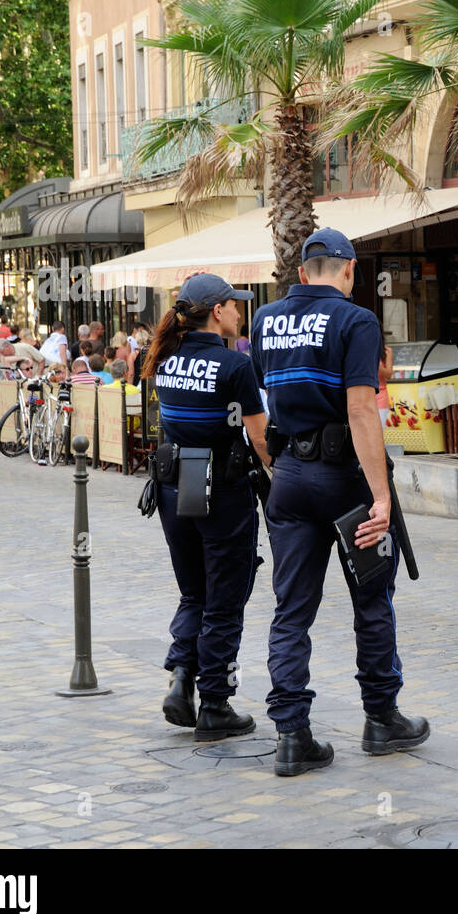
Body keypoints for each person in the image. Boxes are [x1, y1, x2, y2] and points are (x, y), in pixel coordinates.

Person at [252, 227, 429, 777]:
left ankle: (291, 734)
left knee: (292, 608)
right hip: (344, 480)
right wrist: (382, 497)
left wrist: (276, 468)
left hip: (290, 476)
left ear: (303, 272)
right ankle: (381, 719)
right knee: (372, 600)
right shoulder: (357, 320)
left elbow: (264, 403)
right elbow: (360, 411)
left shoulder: (265, 319)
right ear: (349, 270)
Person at [142, 273, 269, 741]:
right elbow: (260, 439)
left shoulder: (165, 357)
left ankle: (181, 680)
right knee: (224, 598)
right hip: (224, 492)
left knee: (194, 592)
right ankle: (214, 702)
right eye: (235, 305)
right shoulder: (235, 366)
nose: (240, 312)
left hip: (174, 488)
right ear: (217, 311)